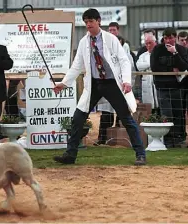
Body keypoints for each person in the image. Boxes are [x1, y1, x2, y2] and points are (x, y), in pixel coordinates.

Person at [53, 8, 146, 166]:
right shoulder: (84, 42)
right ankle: (70, 155)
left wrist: (126, 81)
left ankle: (140, 154)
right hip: (94, 84)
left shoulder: (110, 39)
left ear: (98, 21)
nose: (88, 24)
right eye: (86, 22)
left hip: (112, 83)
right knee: (77, 119)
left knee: (126, 118)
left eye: (91, 21)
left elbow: (124, 61)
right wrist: (64, 83)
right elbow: (77, 65)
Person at [150, 27, 188, 148]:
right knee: (166, 114)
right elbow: (154, 67)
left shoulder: (181, 50)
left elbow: (184, 66)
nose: (168, 40)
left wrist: (175, 53)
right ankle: (167, 139)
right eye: (166, 38)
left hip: (178, 87)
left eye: (170, 38)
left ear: (175, 38)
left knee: (178, 113)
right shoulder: (157, 49)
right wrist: (170, 70)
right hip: (162, 86)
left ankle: (178, 138)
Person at [136, 34, 159, 113]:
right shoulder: (143, 56)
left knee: (158, 105)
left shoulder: (159, 54)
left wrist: (146, 66)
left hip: (157, 83)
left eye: (150, 43)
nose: (148, 45)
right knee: (149, 107)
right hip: (147, 84)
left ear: (155, 43)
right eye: (147, 43)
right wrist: (151, 64)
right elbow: (139, 66)